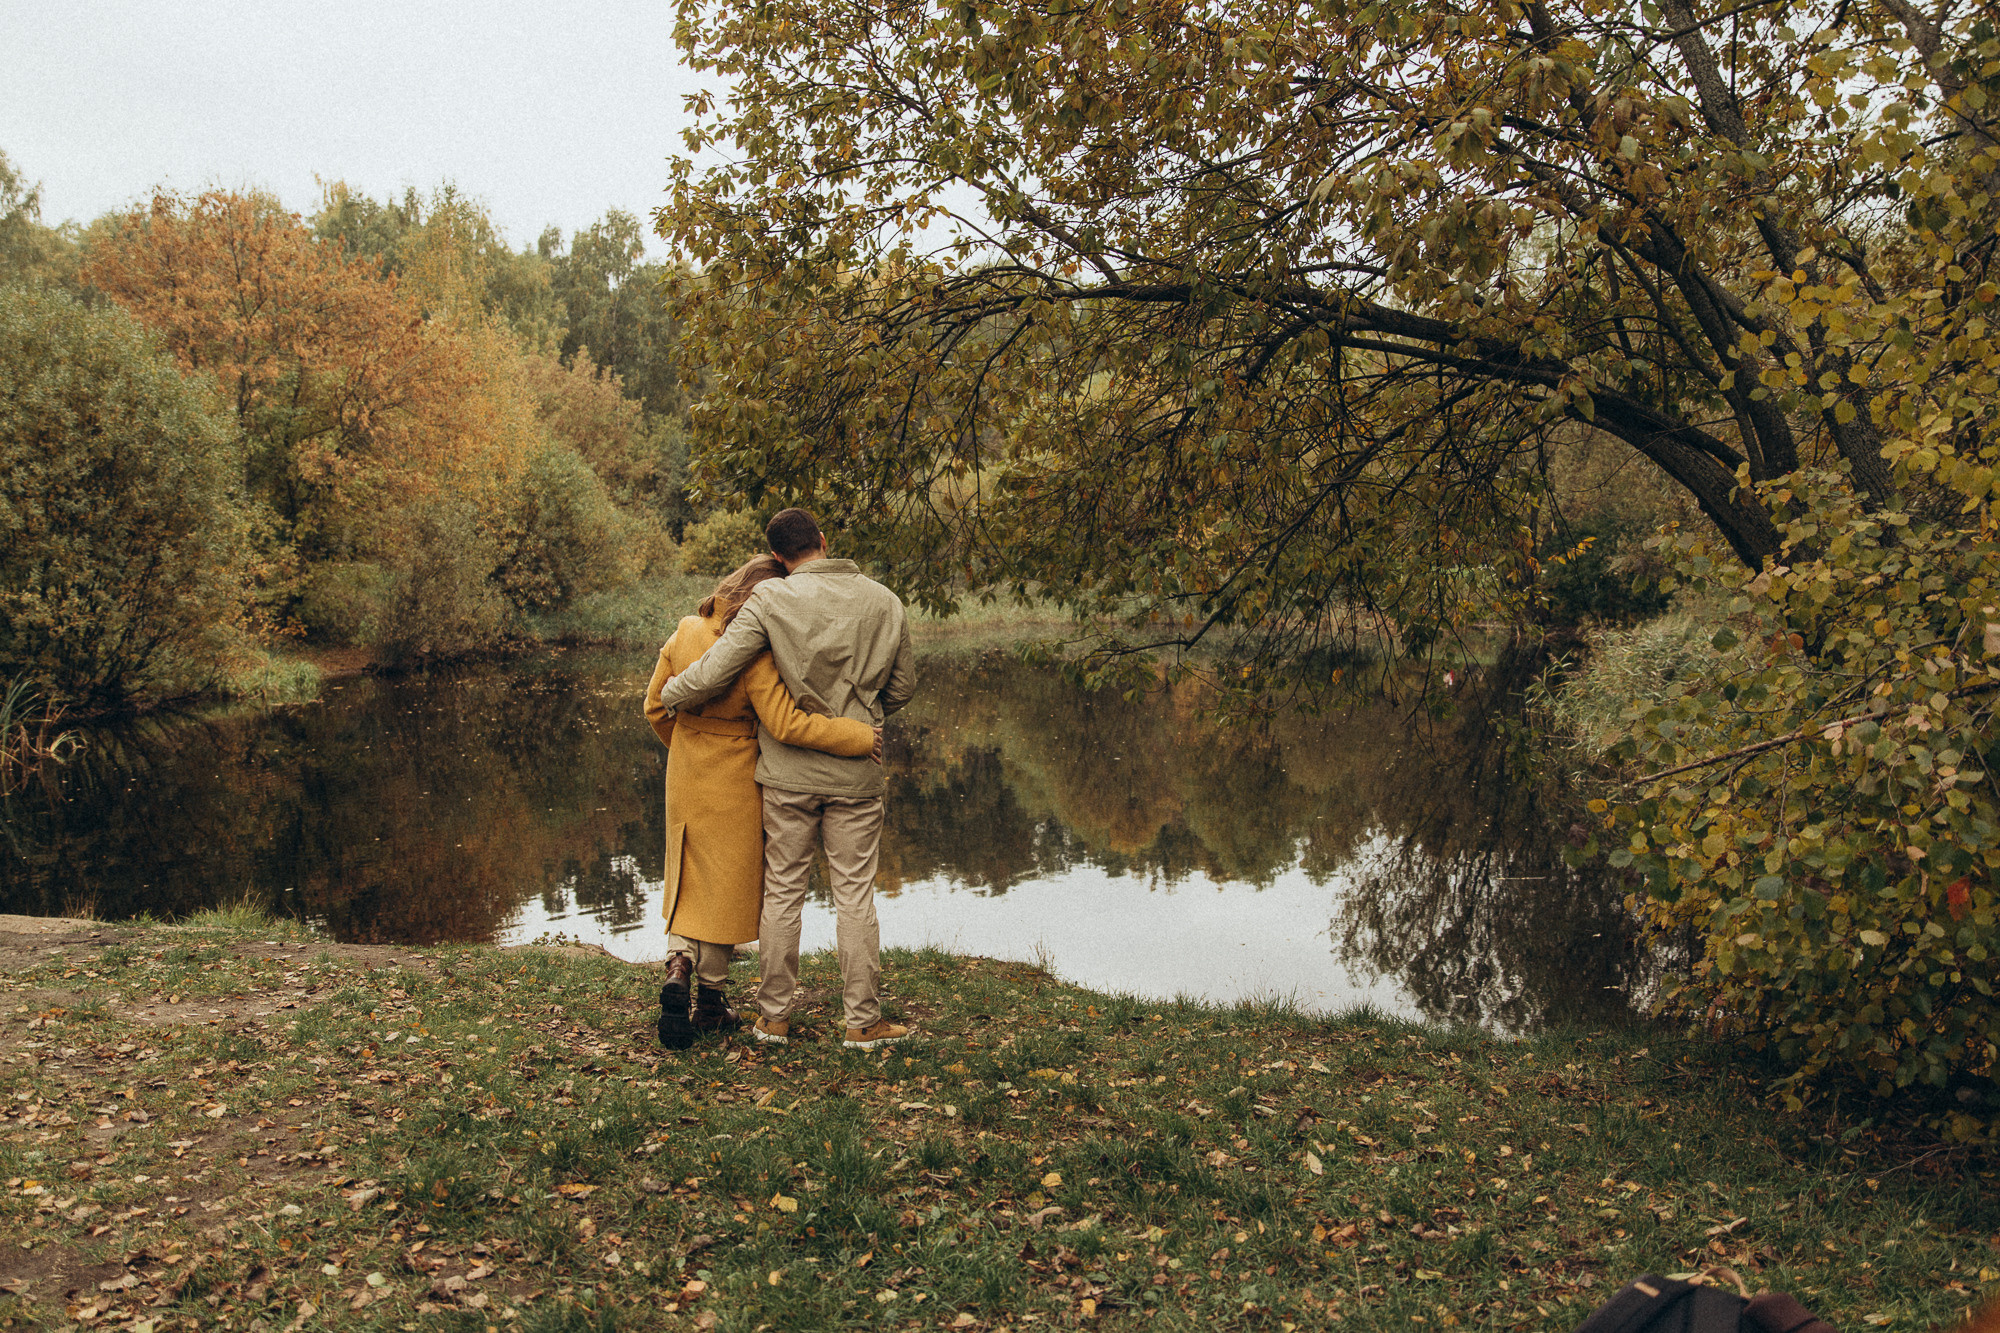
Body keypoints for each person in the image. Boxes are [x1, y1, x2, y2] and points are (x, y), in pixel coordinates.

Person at [655, 508, 917, 1050]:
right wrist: (865, 718)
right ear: (824, 541)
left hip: (786, 777)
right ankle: (862, 1022)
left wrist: (671, 697)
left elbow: (717, 667)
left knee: (782, 892)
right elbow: (903, 688)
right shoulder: (886, 601)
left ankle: (772, 1018)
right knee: (854, 895)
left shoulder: (770, 600)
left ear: (778, 557)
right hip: (856, 776)